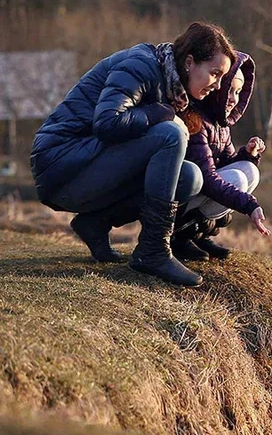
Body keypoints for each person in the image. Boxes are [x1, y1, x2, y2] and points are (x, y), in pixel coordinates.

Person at [30, 21, 237, 287]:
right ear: (189, 62)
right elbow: (107, 122)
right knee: (170, 133)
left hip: (87, 167)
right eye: (215, 73)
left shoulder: (172, 85)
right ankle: (153, 251)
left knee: (189, 177)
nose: (218, 85)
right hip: (61, 167)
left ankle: (96, 222)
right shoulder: (140, 66)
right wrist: (163, 112)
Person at [172, 51, 272, 261]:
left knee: (249, 170)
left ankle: (200, 234)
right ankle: (180, 235)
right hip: (178, 201)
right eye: (230, 90)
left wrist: (247, 155)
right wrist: (249, 205)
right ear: (219, 87)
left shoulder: (220, 124)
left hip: (200, 192)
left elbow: (225, 164)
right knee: (238, 179)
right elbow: (209, 179)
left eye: (239, 92)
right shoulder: (196, 120)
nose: (234, 99)